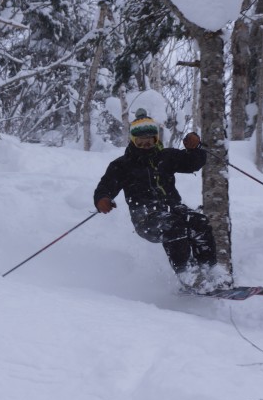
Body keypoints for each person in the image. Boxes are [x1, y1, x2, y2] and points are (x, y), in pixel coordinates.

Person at [93, 109, 230, 292]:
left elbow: (193, 163)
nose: (145, 145)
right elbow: (105, 186)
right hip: (146, 218)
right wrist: (103, 199)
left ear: (156, 139)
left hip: (174, 208)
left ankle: (210, 269)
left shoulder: (166, 157)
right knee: (174, 227)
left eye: (149, 140)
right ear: (133, 140)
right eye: (140, 141)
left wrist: (194, 148)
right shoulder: (122, 165)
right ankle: (185, 273)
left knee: (199, 222)